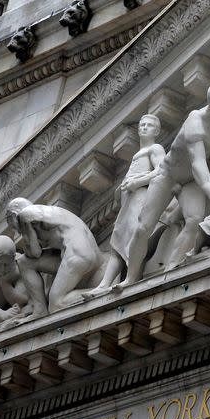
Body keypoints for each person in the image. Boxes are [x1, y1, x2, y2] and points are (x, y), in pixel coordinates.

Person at [118, 78, 210, 287]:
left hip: (191, 181)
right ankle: (131, 278)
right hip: (168, 175)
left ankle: (172, 268)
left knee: (195, 219)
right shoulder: (195, 120)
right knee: (143, 227)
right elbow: (198, 162)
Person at [84, 115, 165, 298]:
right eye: (142, 124)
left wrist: (138, 182)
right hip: (128, 202)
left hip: (140, 198)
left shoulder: (155, 148)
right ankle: (104, 284)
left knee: (133, 237)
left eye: (150, 125)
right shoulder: (138, 154)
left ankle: (131, 277)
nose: (144, 127)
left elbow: (162, 170)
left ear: (157, 131)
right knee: (117, 242)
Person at [6, 198, 101, 317]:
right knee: (24, 262)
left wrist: (26, 237)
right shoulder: (46, 212)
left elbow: (35, 252)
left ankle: (102, 291)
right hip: (85, 252)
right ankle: (40, 310)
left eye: (13, 226)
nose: (16, 232)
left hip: (77, 254)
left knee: (56, 304)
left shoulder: (25, 214)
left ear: (14, 215)